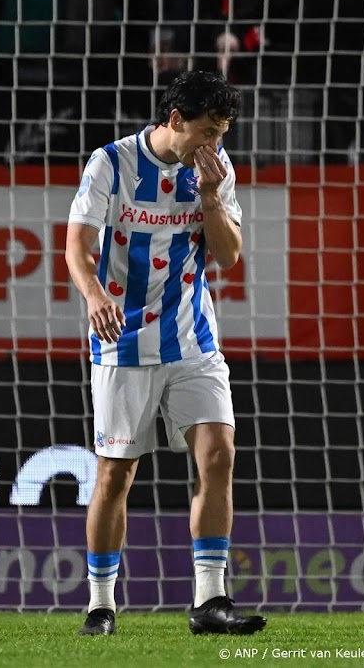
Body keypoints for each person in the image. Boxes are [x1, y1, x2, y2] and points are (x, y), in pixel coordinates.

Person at [64, 71, 266, 636]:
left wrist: (207, 196)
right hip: (122, 341)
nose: (214, 143)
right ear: (175, 120)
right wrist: (95, 294)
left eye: (221, 132)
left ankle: (210, 600)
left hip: (192, 338)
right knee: (115, 475)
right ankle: (101, 605)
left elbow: (227, 257)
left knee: (219, 453)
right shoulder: (111, 163)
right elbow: (76, 246)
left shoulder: (216, 169)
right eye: (206, 130)